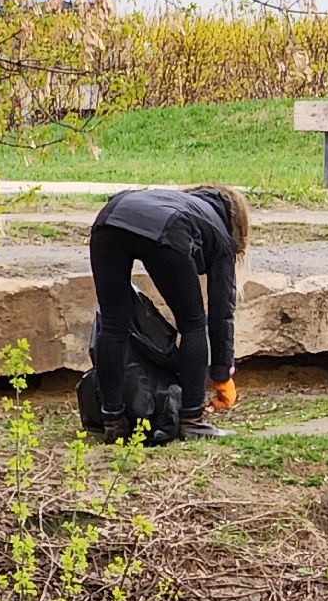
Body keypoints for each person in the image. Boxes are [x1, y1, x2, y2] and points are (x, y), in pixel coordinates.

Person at [88, 185, 247, 443]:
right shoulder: (219, 231)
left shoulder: (177, 202)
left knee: (113, 324)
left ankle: (113, 422)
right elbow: (221, 313)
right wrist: (221, 374)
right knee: (193, 324)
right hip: (166, 229)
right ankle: (193, 421)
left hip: (108, 220)